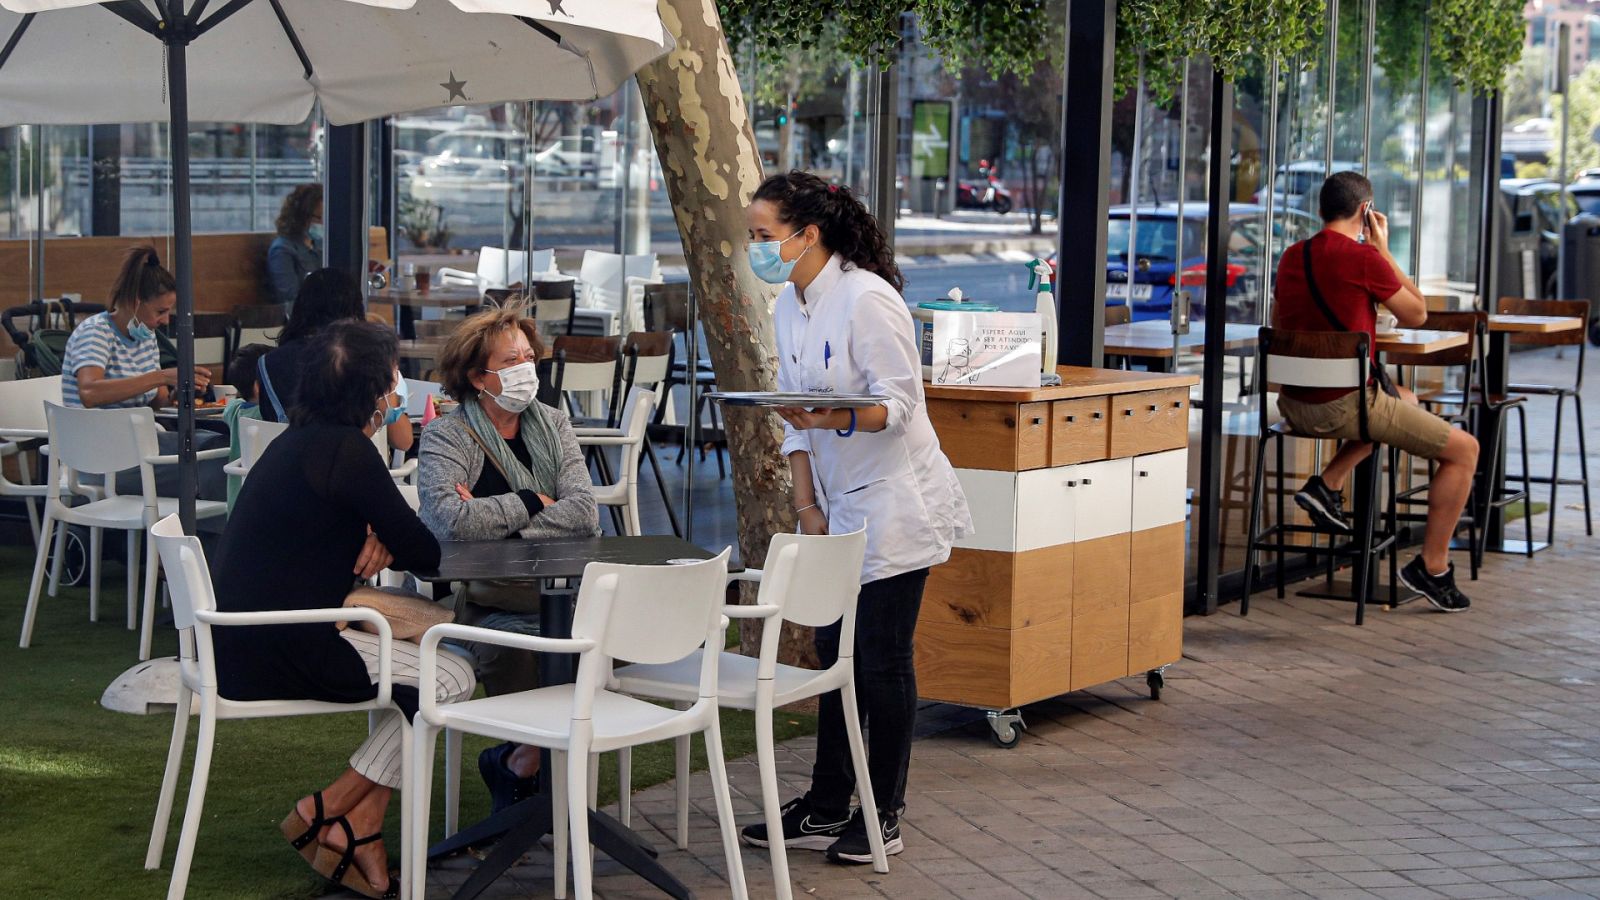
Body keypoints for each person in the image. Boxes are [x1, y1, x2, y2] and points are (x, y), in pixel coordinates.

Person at [740, 172, 971, 864]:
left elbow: (898, 406)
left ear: (807, 235)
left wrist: (831, 415)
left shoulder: (869, 300)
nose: (753, 247)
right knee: (832, 655)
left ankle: (883, 813)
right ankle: (828, 801)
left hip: (898, 504)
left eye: (762, 235)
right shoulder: (789, 305)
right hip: (835, 509)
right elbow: (794, 418)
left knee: (881, 660)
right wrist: (806, 507)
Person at [211, 320, 475, 899]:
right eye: (392, 381)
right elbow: (427, 552)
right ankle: (322, 809)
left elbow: (384, 535)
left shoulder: (296, 442)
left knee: (411, 674)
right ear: (373, 393)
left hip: (242, 642)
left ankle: (360, 826)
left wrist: (378, 528)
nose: (397, 390)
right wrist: (385, 528)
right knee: (453, 675)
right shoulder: (348, 451)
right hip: (285, 646)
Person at [417, 305, 598, 810]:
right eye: (510, 360)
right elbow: (450, 521)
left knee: (604, 650)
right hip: (490, 605)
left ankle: (521, 764)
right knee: (519, 655)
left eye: (528, 356)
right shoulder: (448, 435)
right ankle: (537, 781)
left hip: (568, 596)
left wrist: (495, 520)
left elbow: (585, 514)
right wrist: (531, 501)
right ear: (478, 376)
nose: (526, 368)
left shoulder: (554, 424)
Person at [1273, 170, 1479, 612]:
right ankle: (1433, 567)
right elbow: (1418, 314)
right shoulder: (1363, 259)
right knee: (1465, 451)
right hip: (1341, 407)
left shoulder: (1292, 256)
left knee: (1403, 399)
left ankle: (1328, 483)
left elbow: (1284, 318)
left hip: (1292, 403)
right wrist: (1383, 249)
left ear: (1320, 209)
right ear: (1366, 211)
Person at [258, 268, 413, 457]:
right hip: (350, 467)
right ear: (354, 308)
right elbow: (403, 440)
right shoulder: (357, 359)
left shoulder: (267, 364)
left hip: (281, 468)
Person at [61, 246, 211, 409]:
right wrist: (161, 377)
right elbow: (89, 393)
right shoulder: (95, 332)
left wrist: (180, 391)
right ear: (135, 302)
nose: (166, 320)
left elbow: (159, 403)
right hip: (97, 431)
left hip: (134, 429)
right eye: (160, 311)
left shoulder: (146, 337)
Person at [222, 342, 272, 512]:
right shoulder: (268, 415)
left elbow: (230, 405)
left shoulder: (235, 410)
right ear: (259, 387)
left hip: (235, 506)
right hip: (263, 504)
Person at [267, 183, 324, 308]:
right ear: (302, 216)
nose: (323, 223)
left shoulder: (320, 244)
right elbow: (290, 298)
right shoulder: (282, 250)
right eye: (319, 218)